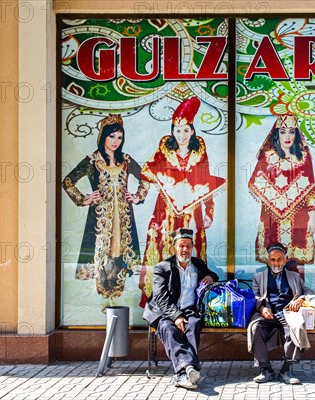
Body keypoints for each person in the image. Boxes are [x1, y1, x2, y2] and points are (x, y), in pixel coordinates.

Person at [136, 97, 226, 307]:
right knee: (162, 252)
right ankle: (159, 300)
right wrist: (139, 196)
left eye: (185, 130)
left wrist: (209, 212)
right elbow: (148, 174)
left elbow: (207, 182)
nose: (181, 135)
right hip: (165, 212)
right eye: (177, 130)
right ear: (172, 131)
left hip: (190, 214)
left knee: (188, 254)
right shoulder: (164, 151)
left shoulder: (199, 153)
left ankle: (188, 301)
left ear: (192, 131)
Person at [62, 114, 143, 303]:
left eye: (120, 137)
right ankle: (103, 298)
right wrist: (85, 199)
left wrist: (136, 197)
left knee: (121, 251)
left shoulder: (126, 160)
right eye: (112, 136)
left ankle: (117, 295)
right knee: (101, 254)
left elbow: (146, 178)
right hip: (100, 219)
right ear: (103, 136)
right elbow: (68, 182)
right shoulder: (91, 161)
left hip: (123, 218)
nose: (116, 141)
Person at [143, 228, 219, 390]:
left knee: (193, 325)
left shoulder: (198, 264)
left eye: (188, 246)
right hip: (163, 311)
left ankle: (183, 373)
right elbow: (161, 298)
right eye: (181, 246)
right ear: (174, 248)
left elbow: (213, 274)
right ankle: (189, 368)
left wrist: (210, 277)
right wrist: (176, 316)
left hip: (189, 309)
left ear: (192, 247)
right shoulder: (162, 268)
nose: (185, 250)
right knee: (169, 328)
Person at [248, 114, 315, 278]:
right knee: (274, 258)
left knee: (296, 260)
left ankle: (297, 296)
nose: (287, 136)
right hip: (272, 217)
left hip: (299, 215)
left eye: (291, 132)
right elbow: (256, 182)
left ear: (296, 134)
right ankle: (274, 296)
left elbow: (311, 188)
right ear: (276, 134)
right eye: (283, 131)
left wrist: (313, 217)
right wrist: (275, 197)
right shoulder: (267, 157)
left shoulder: (304, 157)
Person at [247, 243, 315, 385]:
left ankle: (286, 370)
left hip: (288, 313)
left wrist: (300, 299)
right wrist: (262, 309)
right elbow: (255, 297)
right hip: (267, 314)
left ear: (285, 261)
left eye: (279, 260)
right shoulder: (258, 277)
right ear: (268, 261)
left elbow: (308, 292)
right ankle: (265, 369)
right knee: (255, 329)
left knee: (296, 328)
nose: (276, 263)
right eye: (273, 260)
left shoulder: (294, 276)